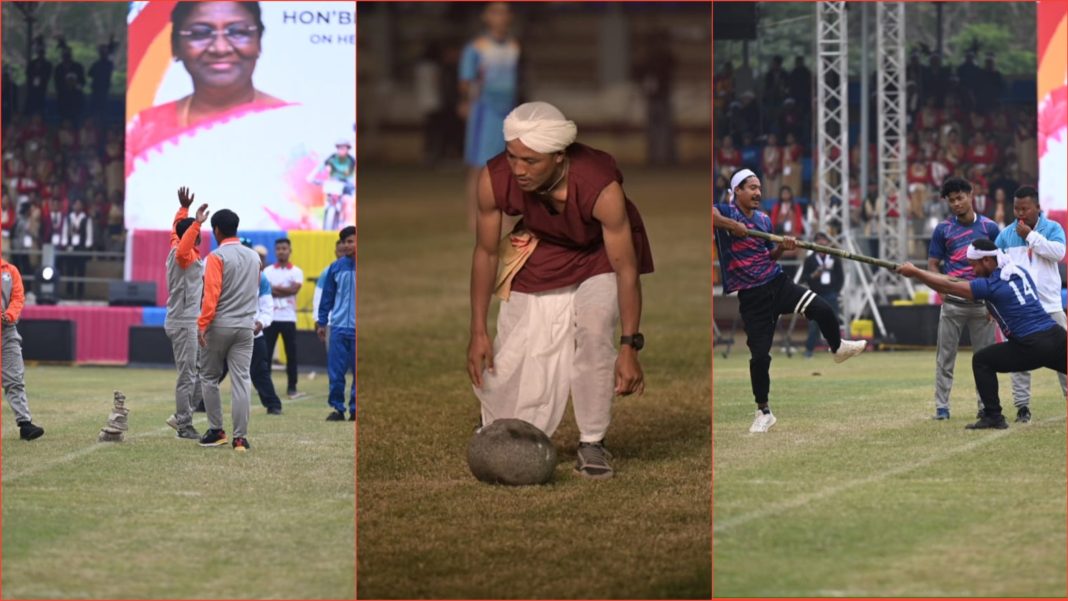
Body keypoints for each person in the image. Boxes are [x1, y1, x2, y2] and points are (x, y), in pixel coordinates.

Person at [468, 101, 653, 479]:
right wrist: (477, 332)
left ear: (558, 156)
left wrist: (629, 346)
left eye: (530, 161)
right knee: (514, 344)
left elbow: (626, 268)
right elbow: (485, 253)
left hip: (597, 254)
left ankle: (592, 441)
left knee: (595, 325)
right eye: (512, 156)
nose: (518, 169)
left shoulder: (600, 187)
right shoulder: (494, 178)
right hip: (544, 245)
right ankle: (504, 425)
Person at [125, 2, 329, 230]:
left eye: (239, 32)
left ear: (259, 42)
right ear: (175, 46)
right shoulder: (145, 130)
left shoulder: (297, 126)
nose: (220, 48)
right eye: (200, 33)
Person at [713, 168, 866, 434]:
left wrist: (783, 247)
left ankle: (837, 346)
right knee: (760, 357)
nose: (758, 192)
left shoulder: (763, 219)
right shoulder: (726, 212)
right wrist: (733, 227)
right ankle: (763, 412)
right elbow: (710, 216)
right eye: (751, 187)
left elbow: (768, 257)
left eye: (759, 187)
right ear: (737, 191)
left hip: (777, 283)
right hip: (752, 296)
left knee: (822, 308)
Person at [897, 239, 1067, 429]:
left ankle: (993, 416)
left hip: (1030, 345)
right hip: (1056, 336)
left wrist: (916, 273)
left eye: (974, 265)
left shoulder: (991, 286)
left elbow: (949, 286)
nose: (973, 271)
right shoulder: (1019, 272)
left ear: (987, 261)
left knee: (982, 360)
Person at [927, 177, 1001, 420]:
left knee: (986, 360)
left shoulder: (990, 227)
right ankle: (942, 408)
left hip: (983, 304)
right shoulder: (943, 229)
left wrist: (994, 301)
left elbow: (998, 266)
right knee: (945, 358)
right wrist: (941, 290)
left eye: (960, 198)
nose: (957, 204)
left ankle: (985, 407)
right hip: (953, 304)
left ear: (971, 195)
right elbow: (932, 264)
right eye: (952, 201)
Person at [994, 186, 1067, 421]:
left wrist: (1031, 237)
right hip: (1020, 310)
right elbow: (997, 269)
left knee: (1064, 354)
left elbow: (1058, 253)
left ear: (1037, 207)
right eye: (1016, 208)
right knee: (1019, 360)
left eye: (1025, 208)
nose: (1020, 213)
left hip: (1051, 306)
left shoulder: (1053, 228)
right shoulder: (1005, 235)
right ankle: (1022, 407)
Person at [197, 208, 260, 452]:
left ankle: (216, 431)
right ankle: (240, 438)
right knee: (242, 381)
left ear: (216, 231)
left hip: (220, 325)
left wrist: (202, 324)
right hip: (245, 326)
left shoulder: (216, 257)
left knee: (210, 377)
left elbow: (211, 295)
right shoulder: (254, 257)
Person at [459, 2, 520, 231]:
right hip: (484, 113)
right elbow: (465, 81)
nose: (500, 17)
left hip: (507, 112)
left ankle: (504, 213)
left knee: (508, 165)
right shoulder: (477, 48)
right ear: (486, 16)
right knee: (479, 165)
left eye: (504, 12)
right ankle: (473, 216)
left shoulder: (514, 46)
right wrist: (468, 101)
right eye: (495, 12)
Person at [216, 241, 284, 415]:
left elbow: (267, 306)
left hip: (253, 333)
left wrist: (260, 323)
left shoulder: (260, 278)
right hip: (226, 329)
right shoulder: (223, 273)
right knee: (216, 369)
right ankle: (201, 401)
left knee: (259, 370)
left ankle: (273, 404)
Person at [163, 186, 207, 440]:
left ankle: (182, 416)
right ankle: (183, 423)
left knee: (198, 372)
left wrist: (184, 209)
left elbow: (175, 230)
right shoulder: (183, 255)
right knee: (188, 374)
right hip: (183, 321)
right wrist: (196, 223)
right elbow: (182, 244)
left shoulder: (180, 247)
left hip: (188, 320)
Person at [1, 256, 45, 441]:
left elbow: (18, 297)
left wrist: (9, 315)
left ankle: (25, 424)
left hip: (7, 331)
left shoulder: (10, 271)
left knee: (15, 378)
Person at [316, 226, 356, 421]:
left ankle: (356, 409)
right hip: (339, 327)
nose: (346, 246)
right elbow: (327, 297)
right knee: (336, 371)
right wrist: (322, 322)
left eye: (350, 241)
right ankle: (338, 408)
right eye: (343, 242)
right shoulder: (336, 267)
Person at [263, 238, 304, 399]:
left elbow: (294, 290)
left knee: (291, 354)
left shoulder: (296, 271)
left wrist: (274, 288)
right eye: (278, 248)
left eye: (284, 248)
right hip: (270, 318)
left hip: (288, 318)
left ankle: (292, 387)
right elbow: (265, 290)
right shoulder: (267, 271)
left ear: (290, 251)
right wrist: (284, 289)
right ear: (275, 251)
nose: (281, 251)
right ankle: (267, 389)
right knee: (266, 355)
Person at [800, 232, 845, 359]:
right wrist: (814, 276)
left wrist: (836, 291)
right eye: (819, 241)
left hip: (831, 294)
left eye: (824, 240)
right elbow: (804, 278)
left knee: (834, 322)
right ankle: (809, 350)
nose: (822, 243)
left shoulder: (834, 258)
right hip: (815, 294)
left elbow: (840, 276)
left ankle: (837, 348)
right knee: (814, 323)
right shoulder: (810, 259)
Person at [313, 239, 346, 347]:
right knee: (333, 355)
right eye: (340, 251)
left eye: (345, 251)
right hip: (332, 322)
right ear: (335, 252)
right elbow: (319, 297)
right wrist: (318, 319)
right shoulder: (327, 272)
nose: (343, 254)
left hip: (351, 323)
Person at [60, 199, 93, 300]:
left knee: (81, 271)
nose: (77, 206)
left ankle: (79, 293)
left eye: (79, 204)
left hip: (81, 247)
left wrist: (87, 245)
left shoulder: (86, 218)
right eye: (76, 204)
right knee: (70, 270)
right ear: (73, 206)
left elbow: (89, 233)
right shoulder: (69, 218)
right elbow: (65, 231)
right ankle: (69, 292)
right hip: (70, 246)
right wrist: (65, 243)